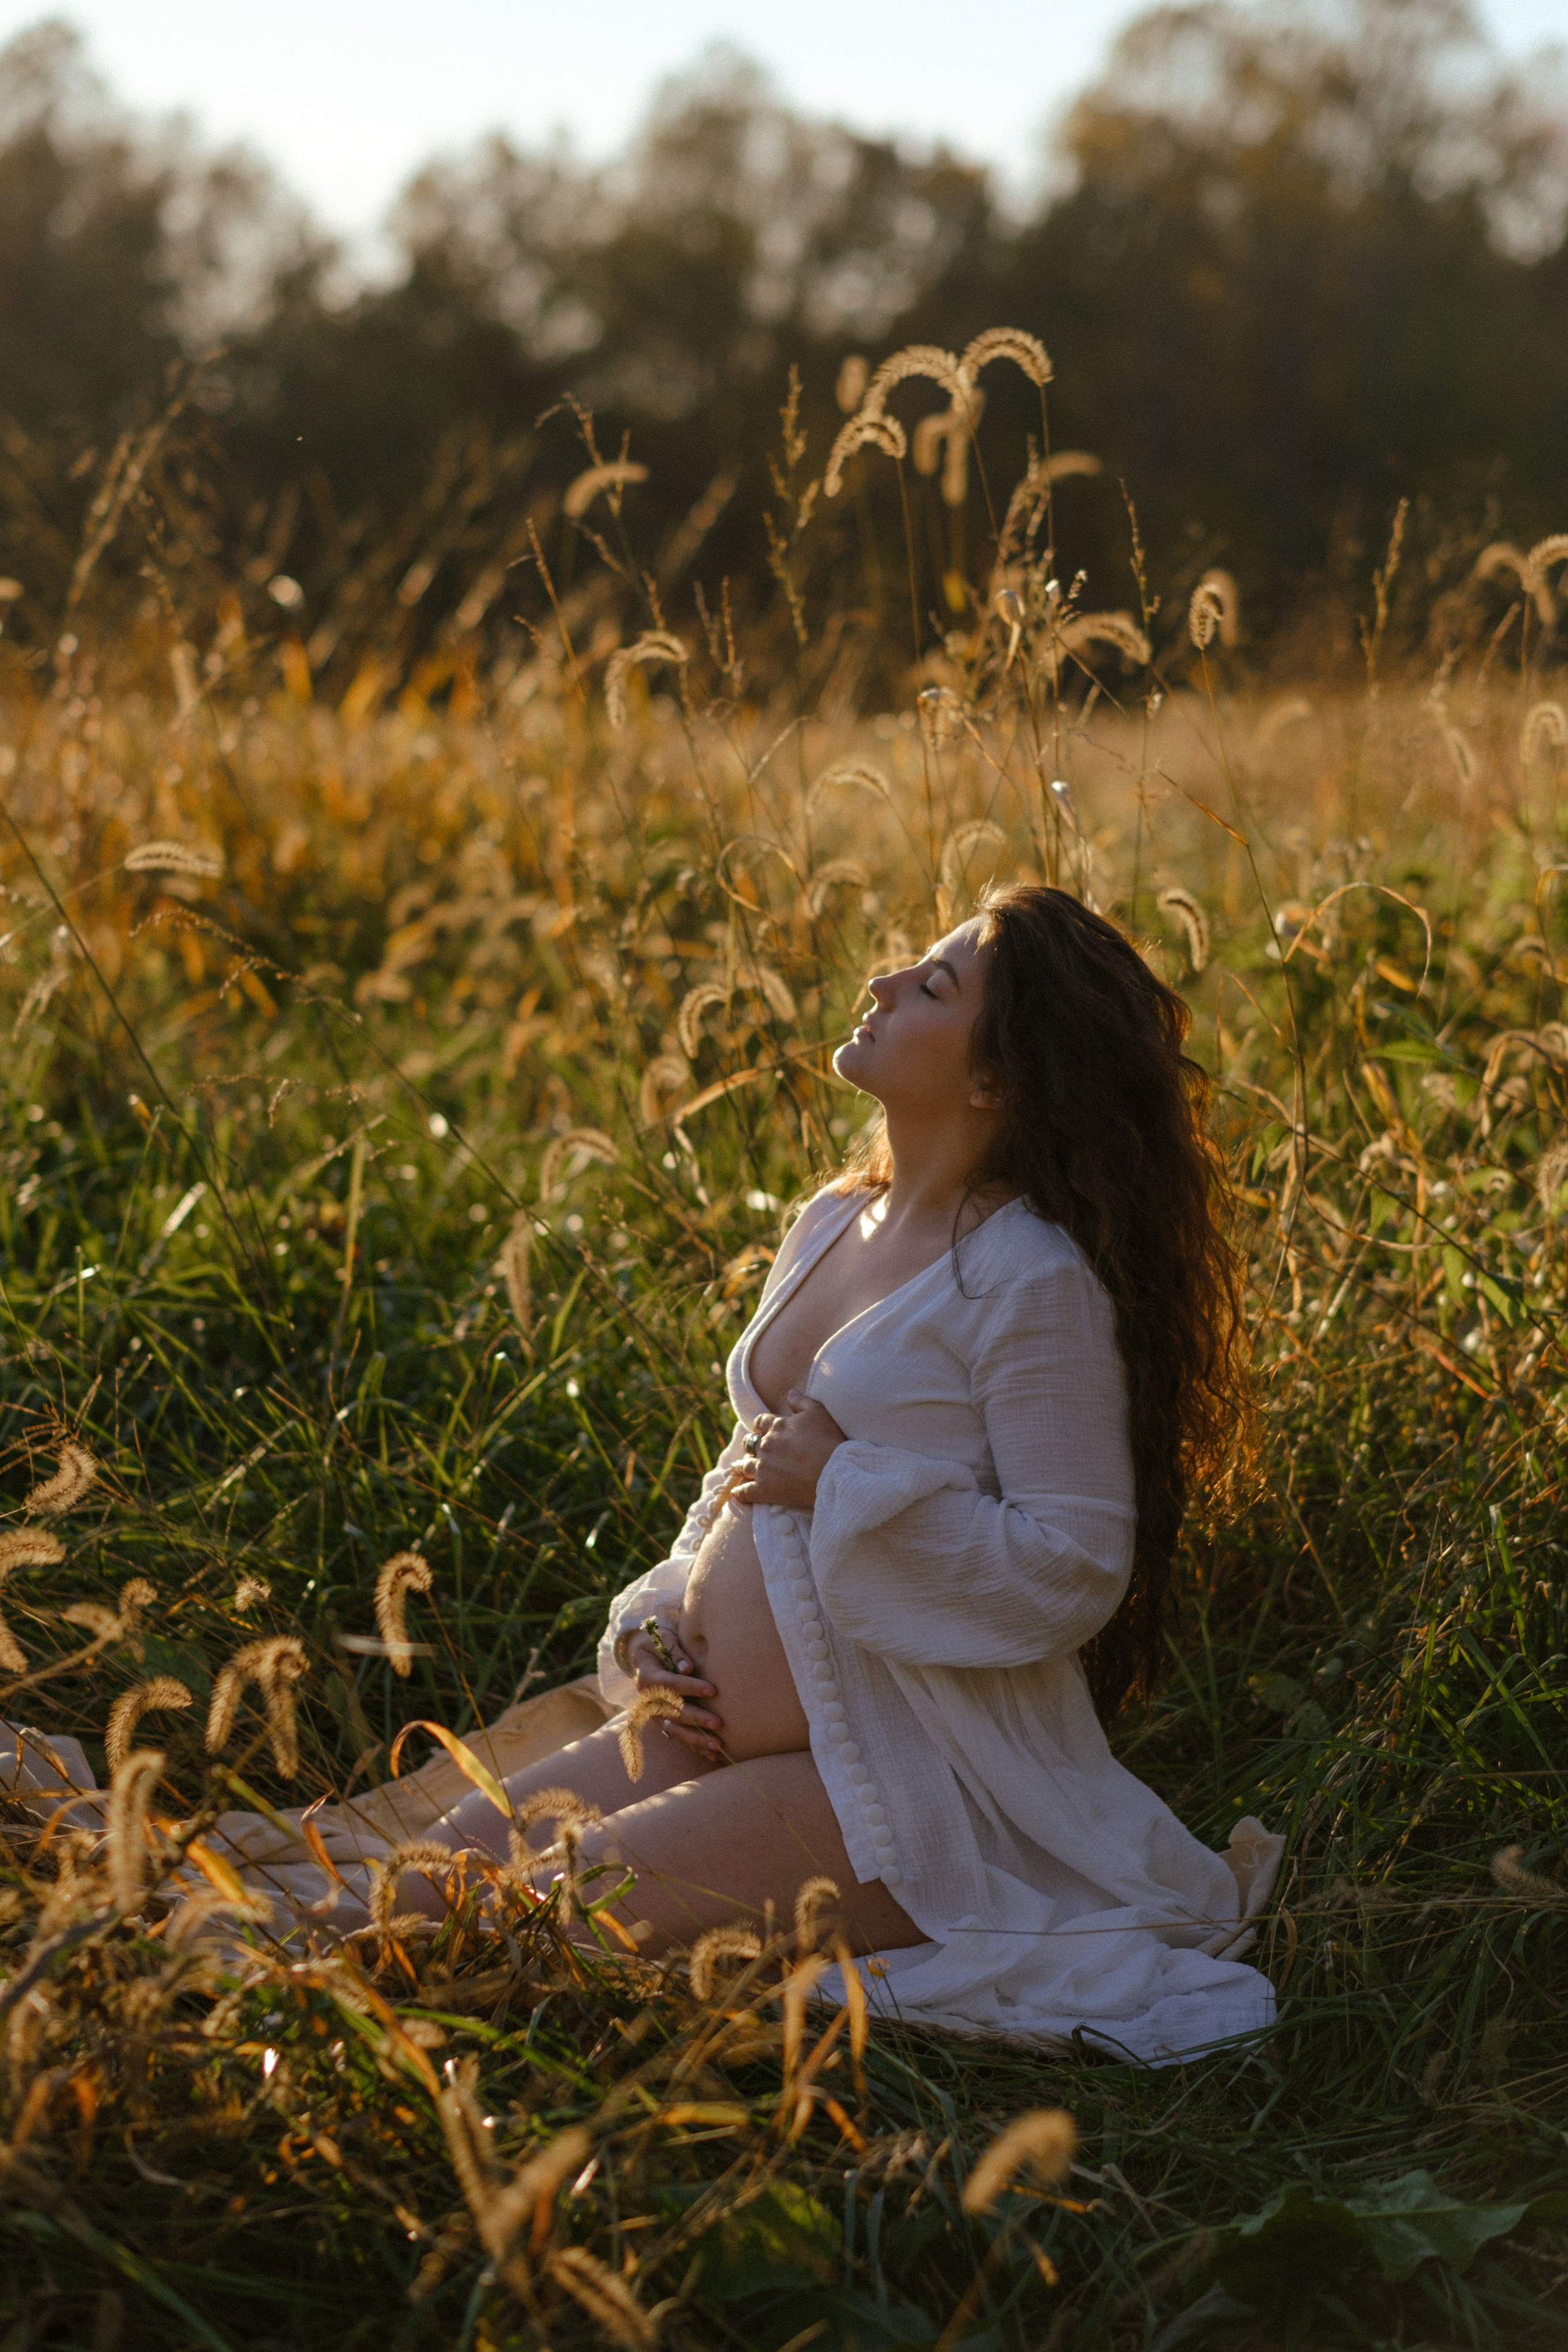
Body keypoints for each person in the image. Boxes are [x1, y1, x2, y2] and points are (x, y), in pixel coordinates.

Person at [3, 884, 1281, 2059]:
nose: (886, 978)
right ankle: (81, 1869)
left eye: (936, 986)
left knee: (489, 1923)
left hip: (893, 1788)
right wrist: (665, 1618)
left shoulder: (1023, 1278)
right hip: (703, 1730)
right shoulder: (836, 1216)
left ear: (999, 1077)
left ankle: (116, 1993)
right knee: (424, 1866)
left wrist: (845, 1482)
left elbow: (1070, 1564)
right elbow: (743, 1474)